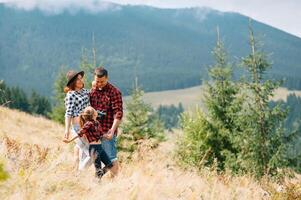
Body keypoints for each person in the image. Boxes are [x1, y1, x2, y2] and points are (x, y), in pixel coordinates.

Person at [63, 106, 113, 179]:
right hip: (94, 149)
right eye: (94, 110)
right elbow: (79, 133)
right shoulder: (88, 124)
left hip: (100, 147)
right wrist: (69, 140)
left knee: (109, 165)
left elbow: (101, 134)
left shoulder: (97, 123)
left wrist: (107, 135)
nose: (96, 111)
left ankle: (97, 177)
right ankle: (97, 181)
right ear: (93, 114)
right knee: (98, 169)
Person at [90, 67, 123, 175]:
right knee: (95, 157)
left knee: (111, 158)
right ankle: (98, 178)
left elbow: (118, 114)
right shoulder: (93, 90)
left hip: (107, 131)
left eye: (102, 81)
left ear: (107, 78)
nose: (99, 84)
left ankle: (114, 183)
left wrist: (112, 131)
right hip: (94, 132)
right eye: (97, 81)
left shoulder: (114, 92)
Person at [64, 70, 91, 170]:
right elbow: (68, 113)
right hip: (78, 126)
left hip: (88, 125)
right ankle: (81, 172)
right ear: (73, 82)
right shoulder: (71, 95)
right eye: (77, 79)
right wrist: (66, 129)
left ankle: (79, 176)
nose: (80, 81)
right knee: (92, 152)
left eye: (81, 78)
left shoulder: (85, 91)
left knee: (84, 152)